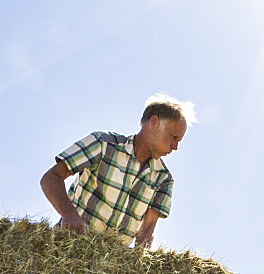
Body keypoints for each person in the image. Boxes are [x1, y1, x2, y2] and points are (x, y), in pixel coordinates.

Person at [40, 94, 195, 249]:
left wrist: (141, 267)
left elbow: (146, 232)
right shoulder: (103, 144)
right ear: (154, 122)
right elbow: (51, 178)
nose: (175, 146)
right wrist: (69, 215)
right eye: (173, 137)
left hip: (111, 266)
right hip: (70, 246)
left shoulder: (164, 179)